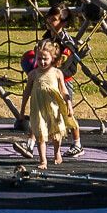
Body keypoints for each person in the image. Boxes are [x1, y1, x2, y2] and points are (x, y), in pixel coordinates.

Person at [14, 3, 84, 159]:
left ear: (63, 23)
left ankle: (77, 143)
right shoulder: (46, 38)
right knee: (39, 112)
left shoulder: (68, 43)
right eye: (49, 18)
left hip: (62, 81)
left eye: (54, 19)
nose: (49, 21)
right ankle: (30, 145)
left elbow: (67, 65)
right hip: (45, 80)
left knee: (66, 115)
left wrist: (53, 73)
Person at [18, 39, 78, 169]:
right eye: (39, 59)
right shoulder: (33, 74)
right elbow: (27, 92)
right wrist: (22, 110)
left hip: (54, 107)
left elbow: (63, 90)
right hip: (38, 108)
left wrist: (69, 104)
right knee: (40, 134)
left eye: (45, 59)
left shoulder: (57, 73)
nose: (42, 62)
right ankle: (43, 160)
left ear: (53, 58)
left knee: (56, 134)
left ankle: (57, 153)